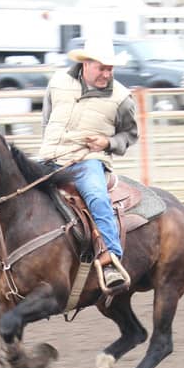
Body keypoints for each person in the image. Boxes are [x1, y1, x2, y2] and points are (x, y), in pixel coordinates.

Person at [38, 39, 139, 294]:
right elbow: (47, 120)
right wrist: (49, 149)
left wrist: (107, 141)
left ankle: (110, 261)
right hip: (50, 157)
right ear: (85, 64)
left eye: (110, 69)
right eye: (101, 68)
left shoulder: (122, 98)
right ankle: (13, 265)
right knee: (17, 195)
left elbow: (130, 135)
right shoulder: (57, 83)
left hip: (88, 162)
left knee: (96, 197)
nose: (107, 74)